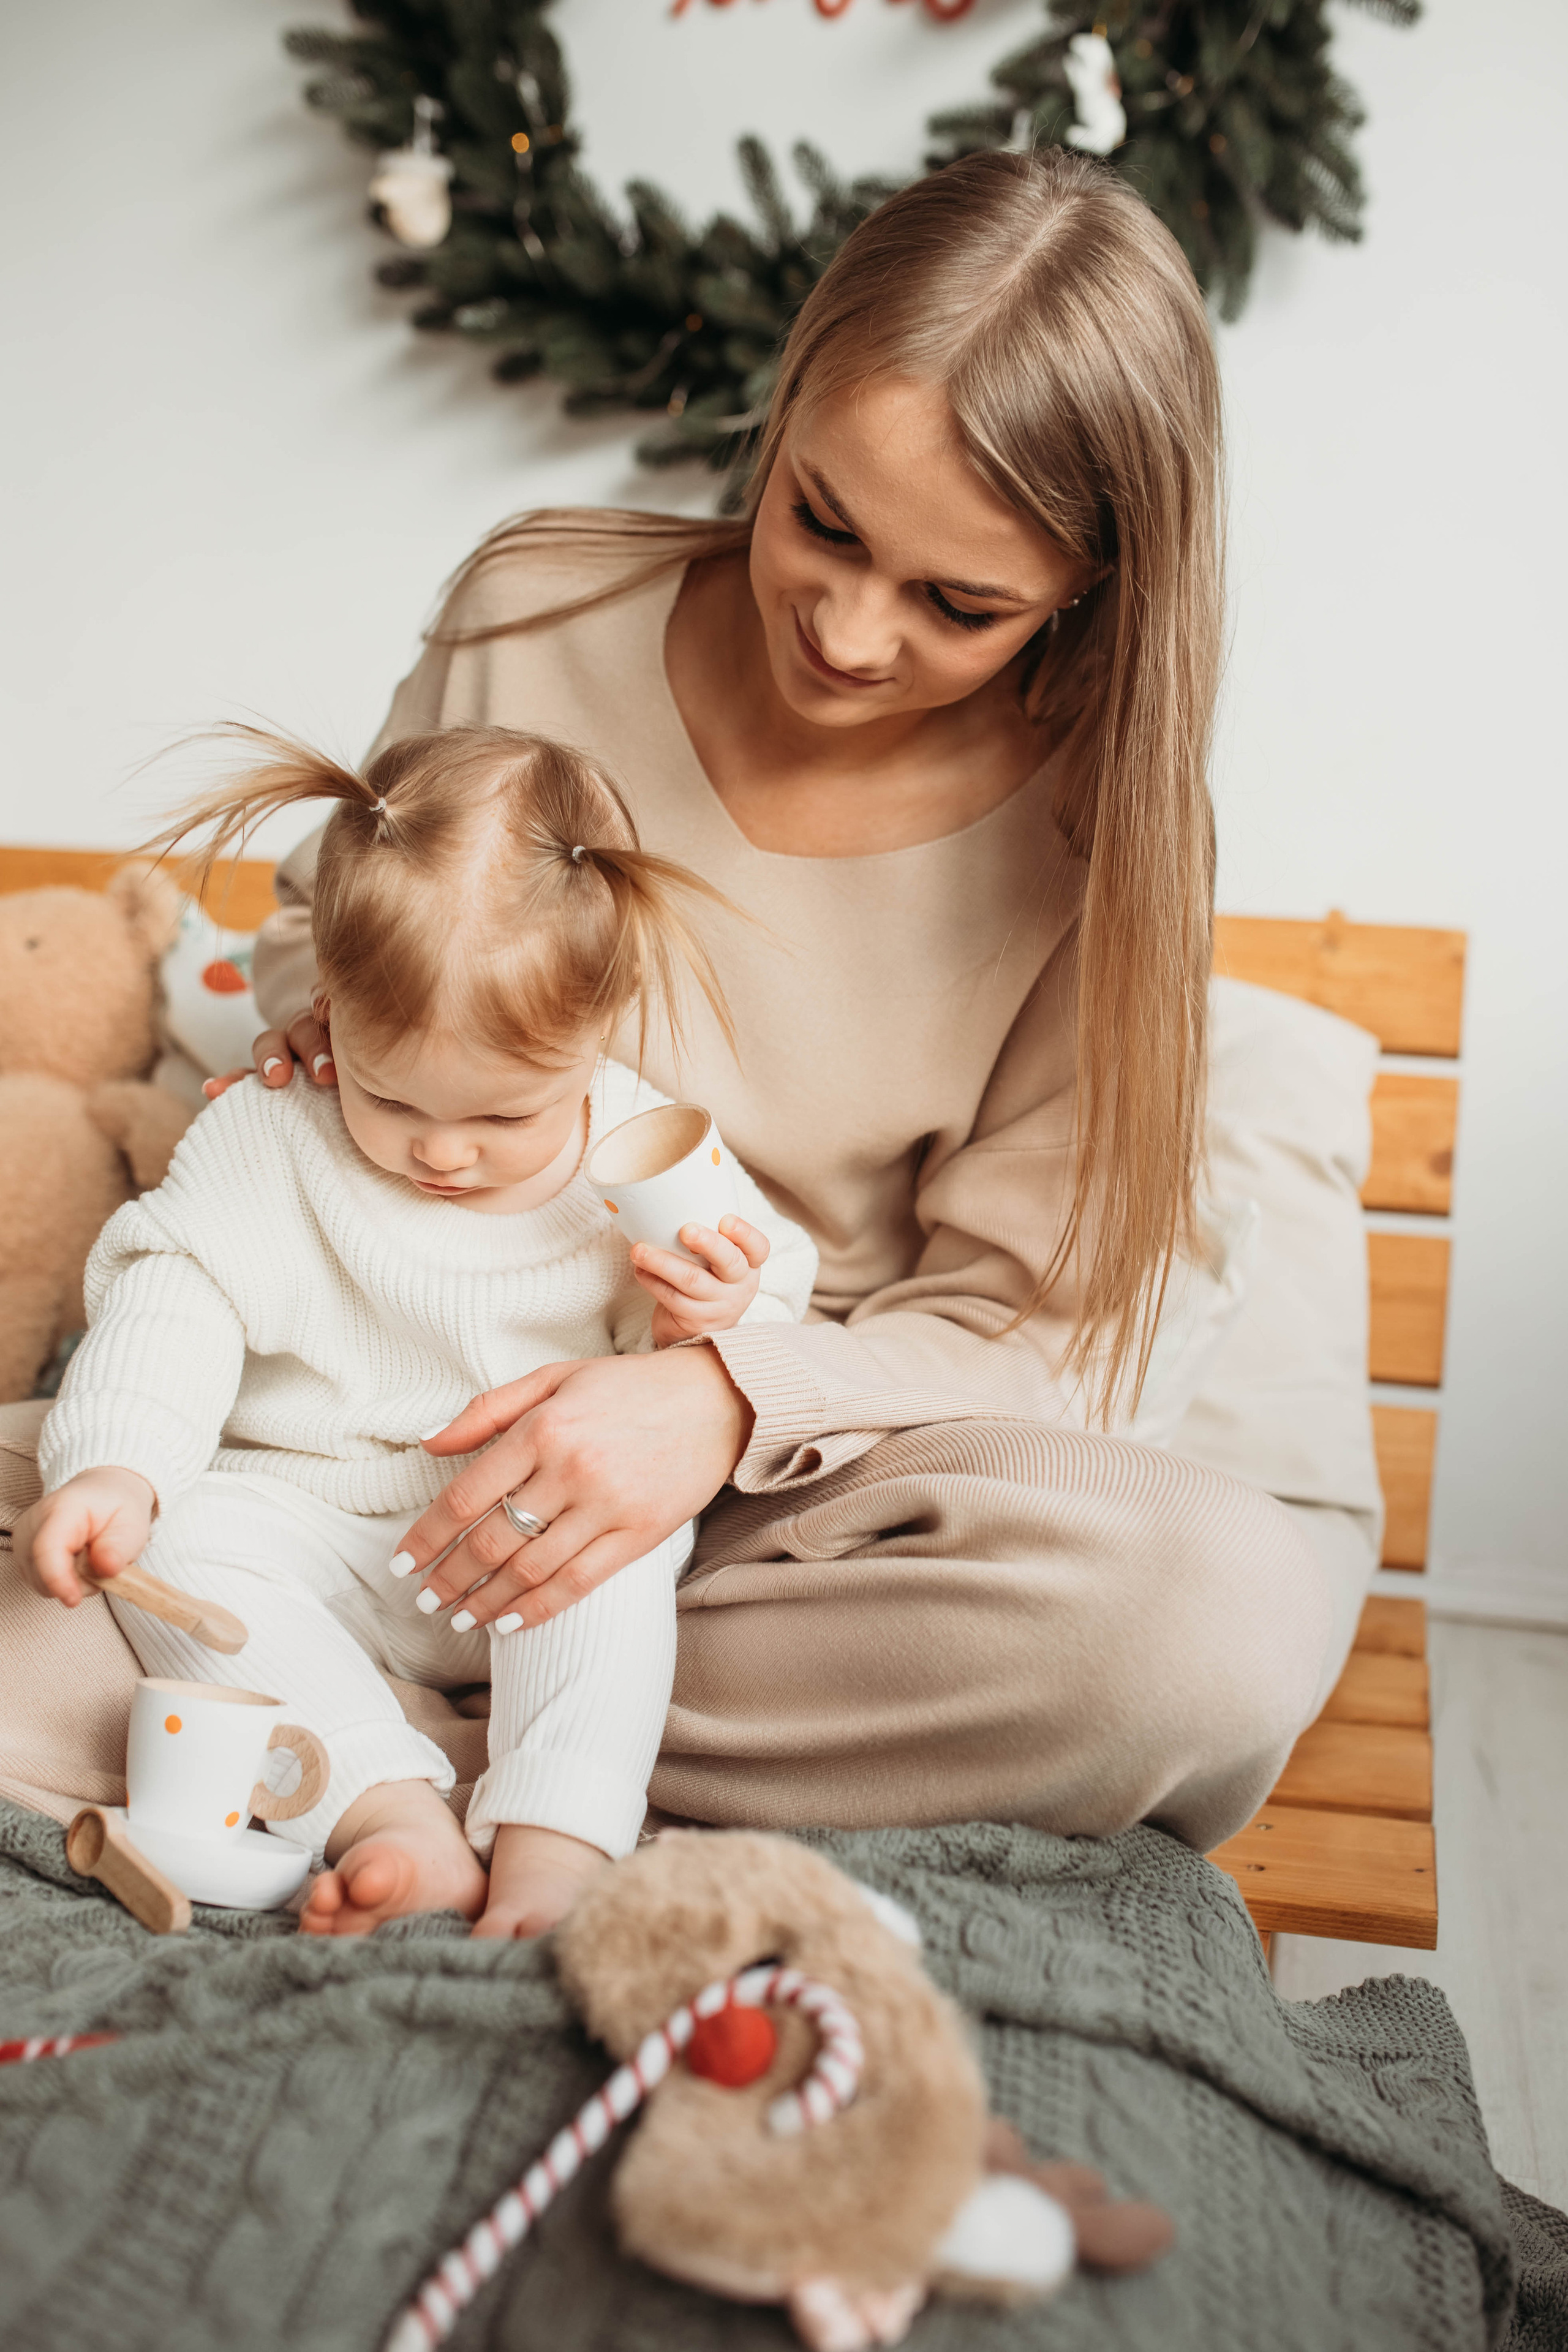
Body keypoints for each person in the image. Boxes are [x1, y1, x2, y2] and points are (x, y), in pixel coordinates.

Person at [110, 146, 1354, 1857]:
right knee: (98, 1520)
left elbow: (1033, 1333)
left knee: (1222, 1620)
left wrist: (721, 1404)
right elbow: (327, 933)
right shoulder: (535, 604)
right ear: (780, 418)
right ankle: (440, 1724)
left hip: (759, 1530)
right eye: (821, 521)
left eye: (959, 604)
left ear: (1092, 585)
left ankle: (360, 1731)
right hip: (355, 1434)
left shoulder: (1103, 835)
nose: (846, 633)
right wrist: (328, 1001)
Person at [14, 726, 818, 1937]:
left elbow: (774, 1295)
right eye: (390, 1098)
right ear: (326, 1002)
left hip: (527, 1527)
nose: (442, 1152)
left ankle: (557, 1839)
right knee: (180, 1535)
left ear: (598, 1032)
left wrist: (715, 1314)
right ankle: (385, 1812)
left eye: (504, 1114)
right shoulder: (271, 1129)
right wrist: (118, 1467)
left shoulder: (643, 1145)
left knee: (620, 1550)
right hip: (318, 1525)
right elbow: (171, 1293)